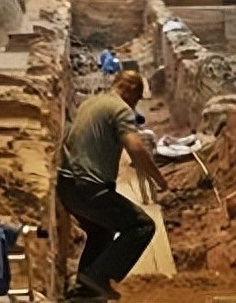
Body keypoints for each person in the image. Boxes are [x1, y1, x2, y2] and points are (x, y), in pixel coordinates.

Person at [57, 70, 168, 300]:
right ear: (131, 91)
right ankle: (99, 277)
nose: (135, 105)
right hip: (89, 187)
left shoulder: (91, 103)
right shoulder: (120, 109)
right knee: (142, 226)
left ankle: (85, 289)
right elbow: (135, 148)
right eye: (137, 99)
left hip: (67, 186)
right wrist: (160, 180)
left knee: (101, 231)